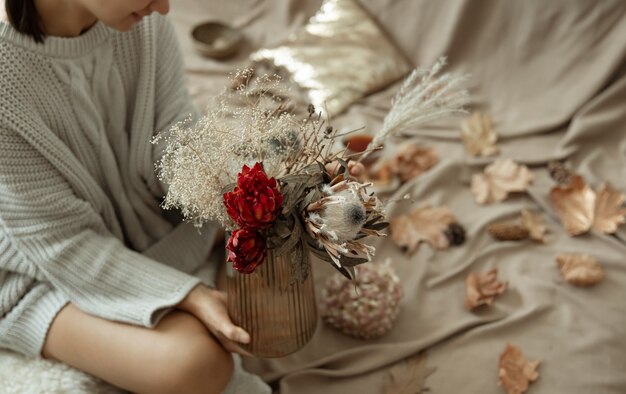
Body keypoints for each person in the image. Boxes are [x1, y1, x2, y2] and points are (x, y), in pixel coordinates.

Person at [0, 1, 271, 393]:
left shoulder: (141, 22)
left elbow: (177, 148)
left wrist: (261, 193)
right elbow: (62, 244)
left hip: (139, 230)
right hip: (37, 273)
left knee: (273, 252)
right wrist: (188, 294)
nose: (164, 6)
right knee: (195, 364)